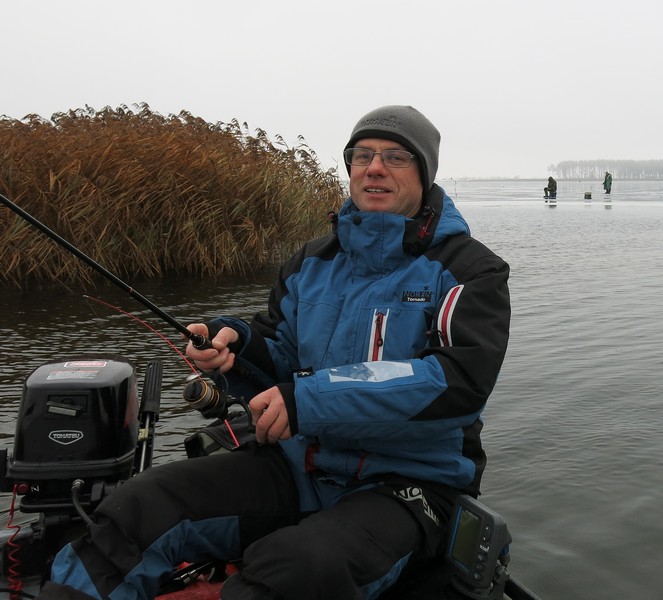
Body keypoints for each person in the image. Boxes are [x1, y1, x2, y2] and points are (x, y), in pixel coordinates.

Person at [37, 105, 511, 600]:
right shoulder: (311, 261)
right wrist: (235, 348)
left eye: (395, 157)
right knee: (140, 505)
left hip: (411, 484)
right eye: (362, 155)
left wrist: (306, 399)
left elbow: (456, 382)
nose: (374, 168)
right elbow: (280, 354)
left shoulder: (470, 270)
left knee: (300, 568)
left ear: (424, 173)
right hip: (299, 466)